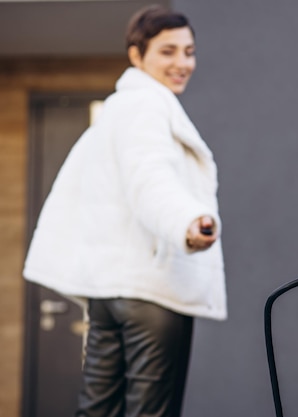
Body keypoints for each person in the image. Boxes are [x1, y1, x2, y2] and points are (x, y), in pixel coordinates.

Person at [22, 5, 226, 416]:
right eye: (167, 52)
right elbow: (149, 178)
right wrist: (186, 222)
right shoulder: (148, 107)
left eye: (189, 51)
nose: (182, 63)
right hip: (150, 290)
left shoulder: (119, 109)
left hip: (110, 292)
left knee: (97, 407)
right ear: (137, 55)